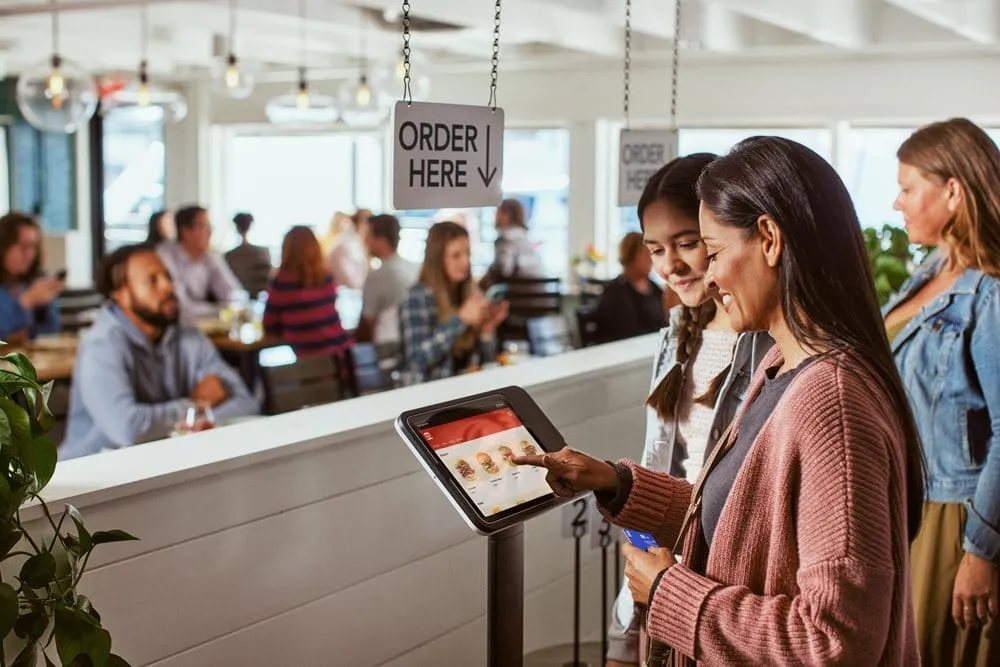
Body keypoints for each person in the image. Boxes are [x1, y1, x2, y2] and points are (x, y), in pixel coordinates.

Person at [516, 137, 924, 666]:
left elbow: (834, 641)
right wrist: (617, 483)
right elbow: (737, 520)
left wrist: (671, 593)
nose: (705, 276)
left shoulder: (832, 402)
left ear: (770, 240)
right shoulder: (781, 365)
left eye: (713, 252)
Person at [602, 155, 773, 667]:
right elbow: (661, 466)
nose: (669, 265)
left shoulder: (770, 345)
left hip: (725, 582)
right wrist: (623, 632)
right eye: (655, 249)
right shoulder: (678, 333)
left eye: (686, 243)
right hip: (664, 570)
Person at [885, 118, 1000, 665]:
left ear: (953, 191)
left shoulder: (991, 293)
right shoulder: (932, 270)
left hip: (953, 517)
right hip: (909, 505)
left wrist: (981, 551)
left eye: (908, 188)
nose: (897, 202)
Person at [60, 245, 258, 459]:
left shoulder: (189, 338)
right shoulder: (101, 346)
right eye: (152, 280)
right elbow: (129, 428)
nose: (167, 286)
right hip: (95, 477)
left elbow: (247, 403)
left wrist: (190, 422)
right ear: (122, 295)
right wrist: (194, 407)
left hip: (161, 467)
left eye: (167, 276)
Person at [399, 221, 508, 381]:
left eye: (468, 254)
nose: (465, 262)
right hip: (432, 398)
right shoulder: (419, 295)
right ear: (437, 259)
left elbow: (487, 364)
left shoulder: (468, 293)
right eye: (456, 255)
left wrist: (486, 330)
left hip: (467, 391)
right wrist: (461, 320)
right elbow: (416, 359)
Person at [263, 226, 353, 360]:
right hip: (343, 356)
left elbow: (269, 324)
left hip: (311, 364)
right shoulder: (326, 278)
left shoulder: (282, 283)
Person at [156, 205, 243, 325]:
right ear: (185, 231)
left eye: (210, 227)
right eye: (204, 226)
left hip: (203, 327)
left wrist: (230, 309)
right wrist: (221, 311)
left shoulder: (210, 256)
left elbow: (234, 294)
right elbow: (181, 308)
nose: (210, 232)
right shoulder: (164, 256)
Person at [593, 232, 667, 344]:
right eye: (645, 255)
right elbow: (627, 334)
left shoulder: (654, 288)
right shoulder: (615, 293)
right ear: (631, 256)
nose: (650, 260)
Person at [0, 212, 63, 344]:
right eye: (23, 247)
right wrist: (26, 301)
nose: (29, 255)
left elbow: (52, 329)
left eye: (34, 247)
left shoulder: (34, 280)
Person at [358, 214, 418, 347]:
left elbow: (369, 321)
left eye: (369, 235)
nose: (364, 241)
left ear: (382, 240)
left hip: (388, 347)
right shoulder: (415, 267)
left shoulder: (376, 278)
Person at [481, 198, 543, 287]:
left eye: (498, 212)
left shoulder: (505, 240)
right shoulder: (527, 241)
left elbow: (503, 272)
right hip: (537, 296)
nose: (495, 217)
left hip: (516, 296)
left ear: (507, 215)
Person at [224, 212, 273, 296]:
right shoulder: (263, 252)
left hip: (237, 300)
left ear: (236, 228)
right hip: (259, 299)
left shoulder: (228, 256)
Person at [324, 210, 370, 291]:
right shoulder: (347, 244)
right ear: (361, 223)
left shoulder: (357, 242)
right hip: (346, 294)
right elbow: (351, 281)